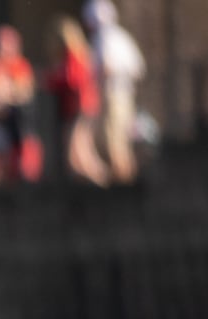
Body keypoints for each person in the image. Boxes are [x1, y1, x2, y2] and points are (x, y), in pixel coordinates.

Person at [83, 0, 146, 184]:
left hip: (112, 93)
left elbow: (106, 66)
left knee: (114, 136)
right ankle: (124, 176)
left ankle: (123, 179)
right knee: (120, 136)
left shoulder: (106, 38)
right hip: (124, 93)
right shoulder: (122, 37)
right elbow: (138, 68)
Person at [45, 17, 110, 187]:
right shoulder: (80, 54)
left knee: (76, 150)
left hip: (81, 106)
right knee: (81, 148)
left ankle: (101, 183)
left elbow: (72, 79)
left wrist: (51, 78)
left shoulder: (74, 55)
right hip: (80, 106)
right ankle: (96, 183)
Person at [0, 25, 42, 187]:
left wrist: (5, 96)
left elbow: (23, 92)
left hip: (13, 123)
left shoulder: (20, 66)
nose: (2, 51)